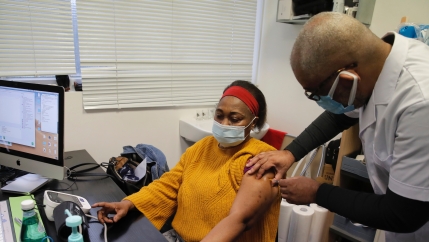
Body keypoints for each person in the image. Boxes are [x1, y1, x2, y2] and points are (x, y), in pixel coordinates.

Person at [246, 12, 429, 241]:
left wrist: (317, 192)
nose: (324, 102)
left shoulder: (420, 102)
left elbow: (404, 213)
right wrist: (290, 152)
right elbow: (339, 116)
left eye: (320, 95)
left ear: (348, 79)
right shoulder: (376, 68)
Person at [92, 80, 281, 242]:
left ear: (253, 122)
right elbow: (169, 185)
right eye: (219, 115)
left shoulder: (261, 160)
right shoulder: (202, 148)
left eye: (234, 119)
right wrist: (128, 203)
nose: (224, 124)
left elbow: (242, 220)